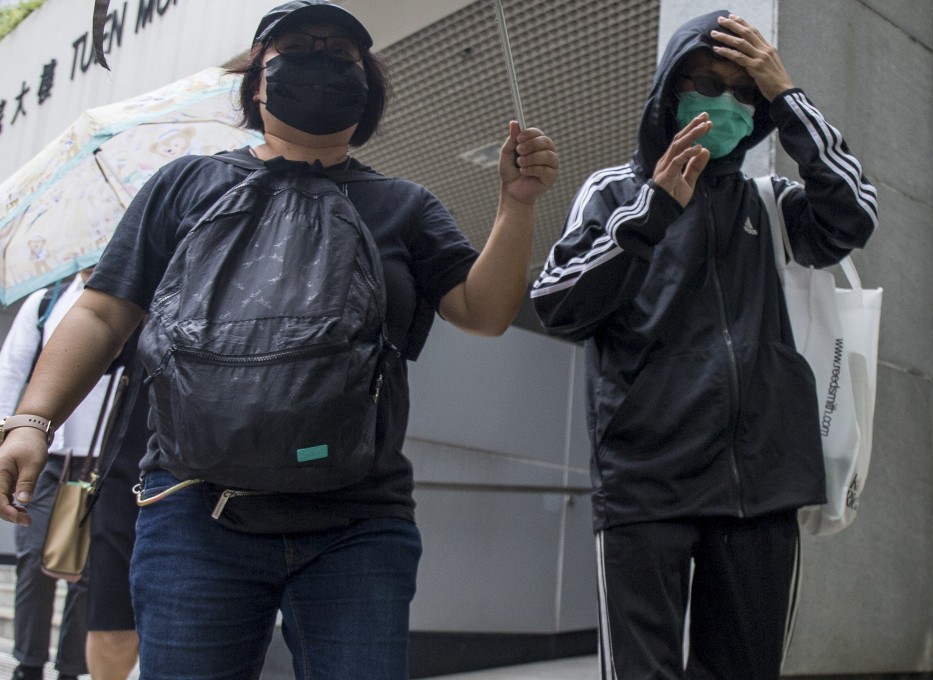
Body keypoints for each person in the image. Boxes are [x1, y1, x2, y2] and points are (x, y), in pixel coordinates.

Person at [0, 2, 558, 679]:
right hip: (191, 508)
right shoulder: (186, 185)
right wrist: (33, 420)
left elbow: (483, 309)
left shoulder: (405, 205)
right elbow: (102, 314)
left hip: (356, 521)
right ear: (257, 82)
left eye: (341, 55)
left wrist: (517, 204)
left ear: (369, 89)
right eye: (296, 47)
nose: (319, 58)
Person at [530, 10, 877, 680]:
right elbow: (558, 305)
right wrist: (654, 209)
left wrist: (787, 94)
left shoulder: (770, 203)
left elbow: (854, 214)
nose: (724, 102)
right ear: (668, 92)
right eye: (705, 83)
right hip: (645, 484)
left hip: (763, 484)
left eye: (743, 91)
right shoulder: (615, 193)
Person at [0, 270, 111, 680]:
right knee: (32, 562)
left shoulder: (134, 302)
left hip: (106, 462)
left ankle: (70, 671)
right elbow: (10, 374)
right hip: (46, 458)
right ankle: (28, 667)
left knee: (87, 569)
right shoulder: (48, 302)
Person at [84, 336, 147, 680]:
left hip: (231, 472)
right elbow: (100, 338)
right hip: (129, 470)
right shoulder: (147, 287)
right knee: (113, 618)